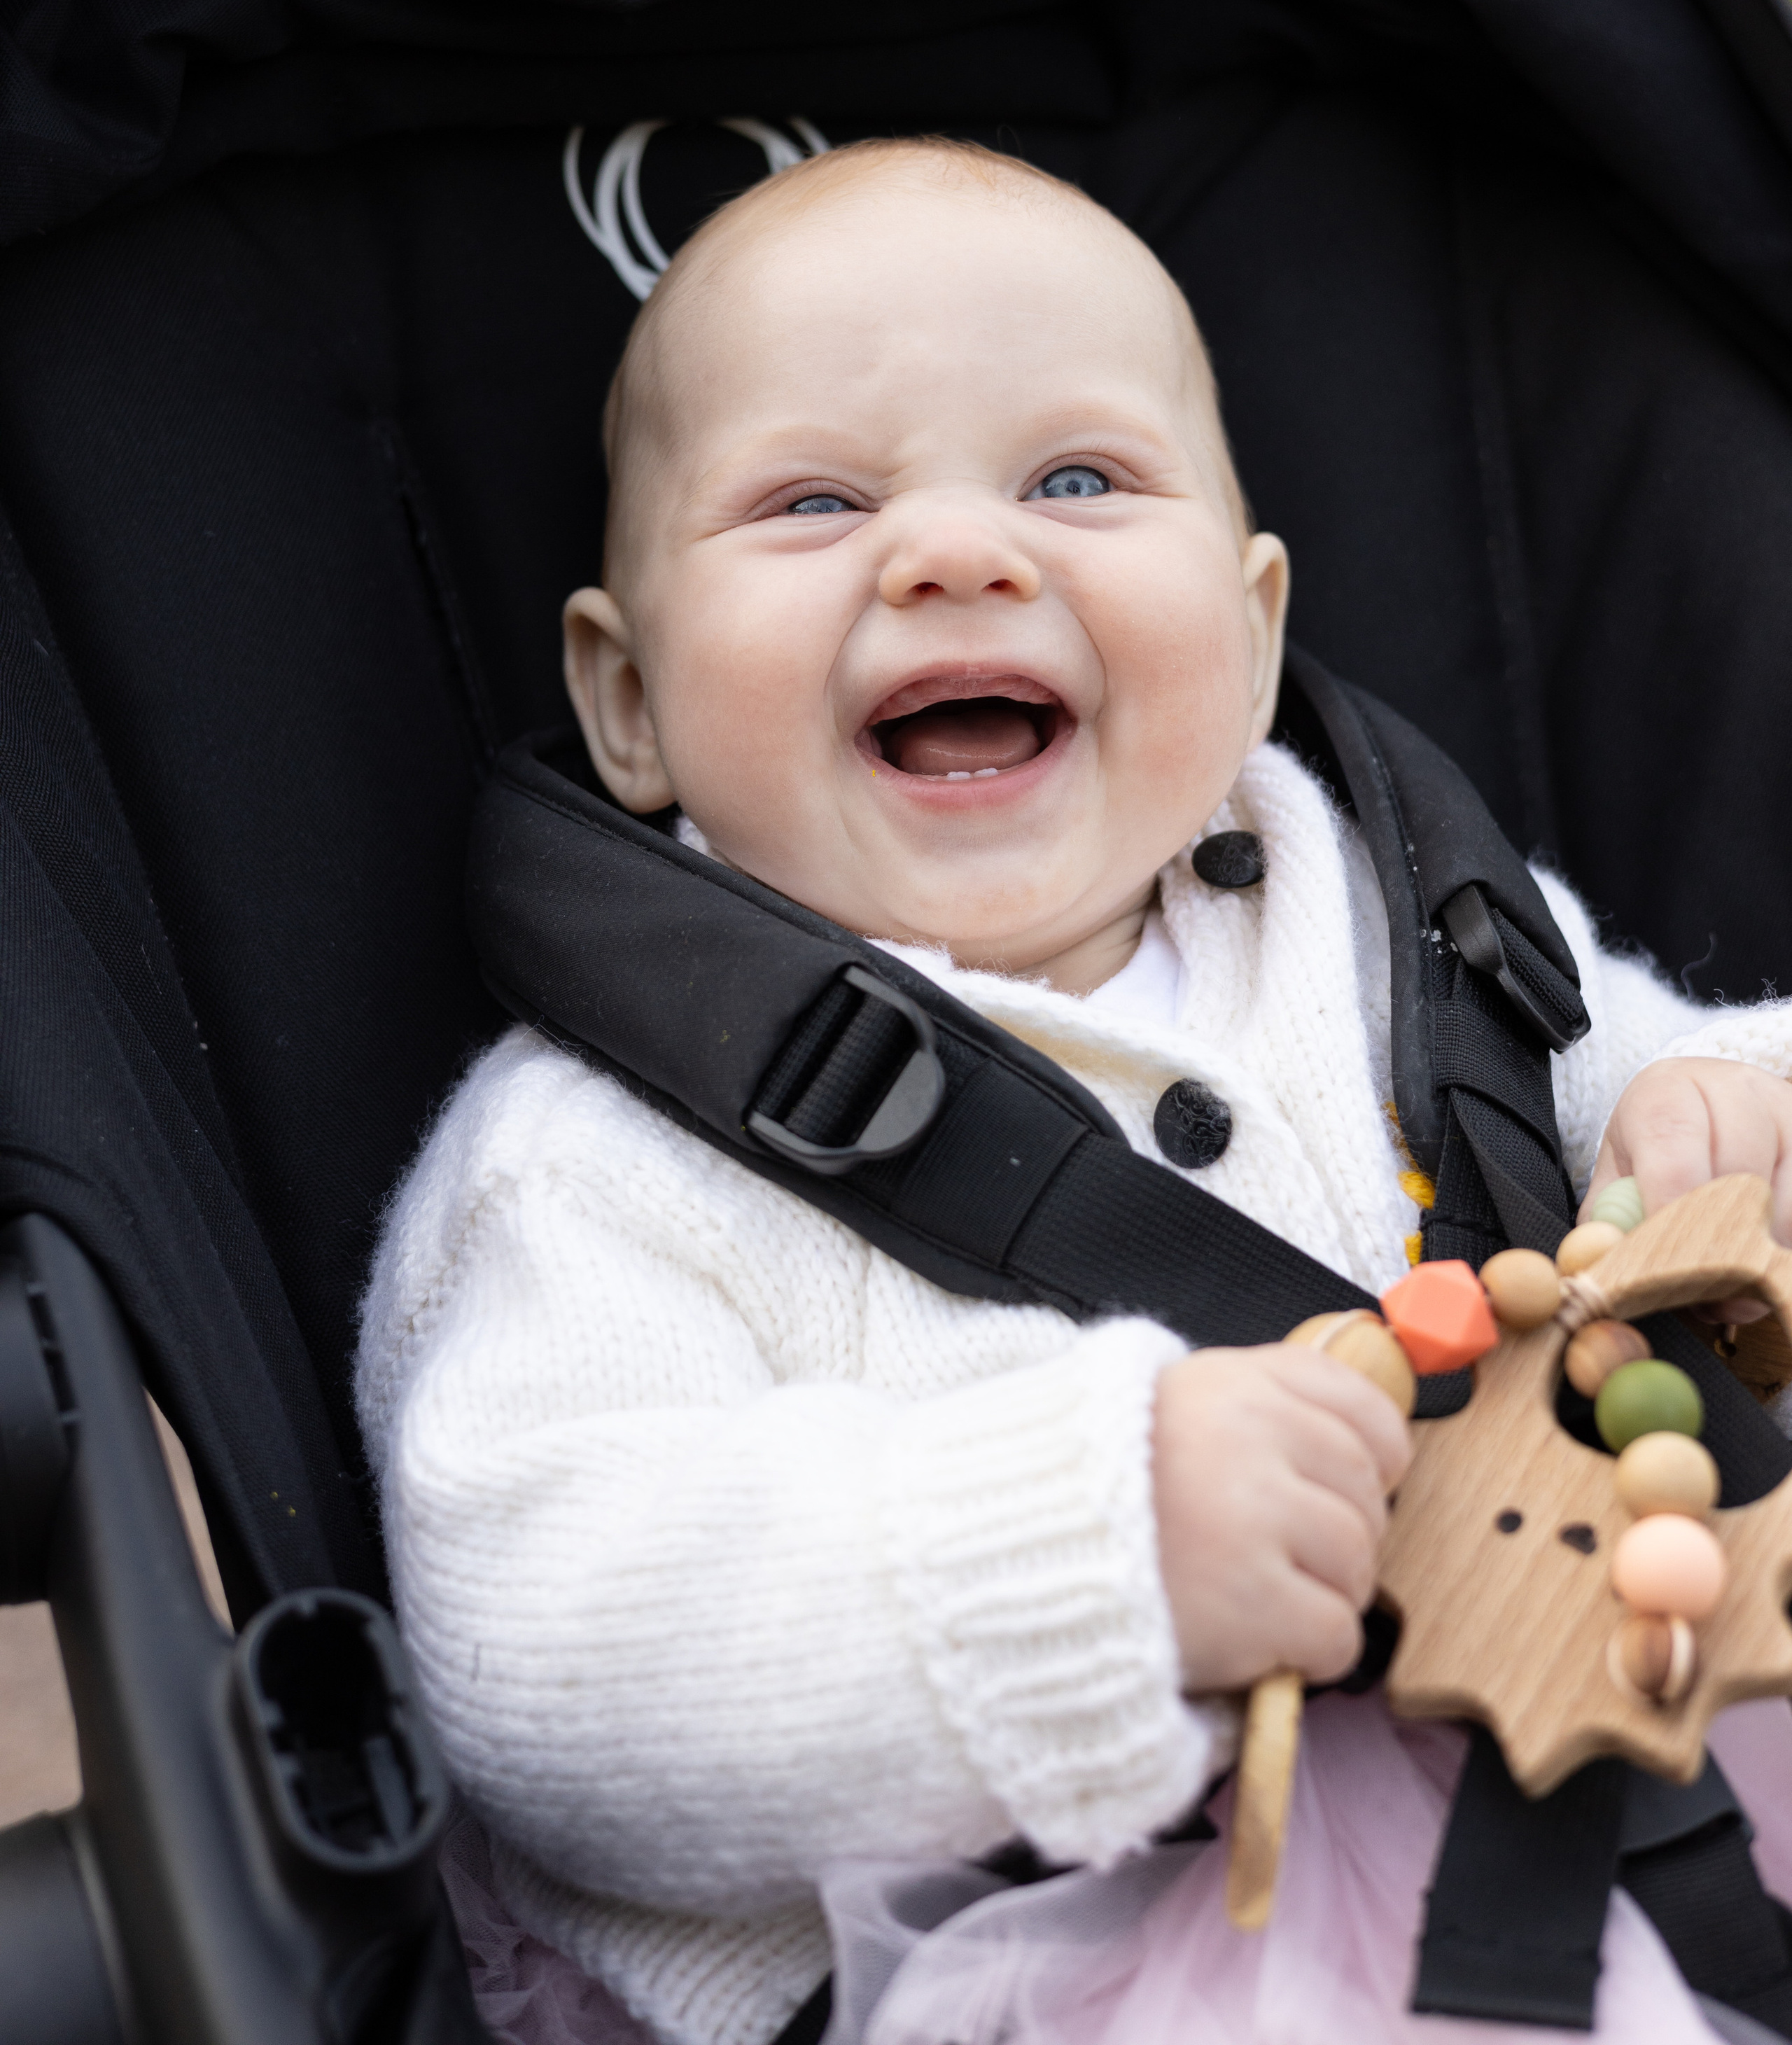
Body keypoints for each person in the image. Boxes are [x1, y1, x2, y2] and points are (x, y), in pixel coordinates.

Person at [356, 137, 1792, 2045]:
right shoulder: (598, 1154)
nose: (960, 551)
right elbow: (543, 1645)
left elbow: (1657, 1086)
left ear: (1258, 628)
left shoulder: (1402, 916)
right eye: (811, 503)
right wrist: (1097, 1550)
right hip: (1113, 1938)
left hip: (1628, 1732)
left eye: (1079, 481)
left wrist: (1733, 1129)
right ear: (630, 703)